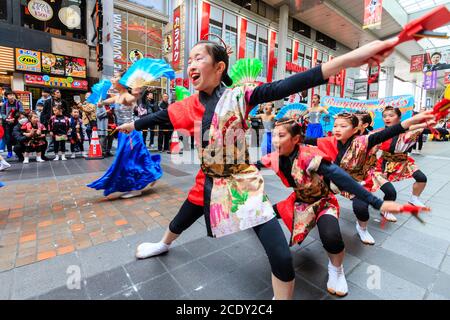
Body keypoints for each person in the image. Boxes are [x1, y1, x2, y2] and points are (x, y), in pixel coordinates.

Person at [117, 36, 401, 300]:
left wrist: (345, 61)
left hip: (242, 183)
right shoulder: (188, 104)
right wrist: (133, 124)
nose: (191, 64)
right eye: (189, 60)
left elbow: (287, 85)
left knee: (280, 255)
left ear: (219, 67)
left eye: (198, 58)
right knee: (184, 215)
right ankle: (164, 243)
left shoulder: (239, 96)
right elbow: (161, 115)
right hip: (208, 178)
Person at [262, 117, 404, 297]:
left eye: (280, 135)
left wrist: (376, 202)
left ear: (296, 138)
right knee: (265, 214)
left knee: (331, 236)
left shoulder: (312, 157)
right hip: (300, 201)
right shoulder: (275, 157)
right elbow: (253, 167)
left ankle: (337, 269)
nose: (275, 140)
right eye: (273, 135)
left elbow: (342, 178)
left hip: (324, 201)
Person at [304, 111, 435, 239]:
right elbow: (308, 140)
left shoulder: (364, 141)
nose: (337, 129)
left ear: (356, 129)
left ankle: (362, 228)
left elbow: (392, 131)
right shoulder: (330, 141)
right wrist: (288, 136)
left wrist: (415, 120)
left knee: (362, 207)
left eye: (343, 126)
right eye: (335, 126)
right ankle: (314, 212)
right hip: (334, 179)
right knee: (310, 195)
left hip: (357, 180)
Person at [88, 71, 163, 199]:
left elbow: (133, 99)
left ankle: (135, 188)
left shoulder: (126, 96)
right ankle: (151, 175)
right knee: (134, 158)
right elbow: (103, 103)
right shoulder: (117, 96)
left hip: (130, 134)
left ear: (122, 81)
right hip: (124, 133)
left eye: (115, 77)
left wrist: (138, 93)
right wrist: (99, 99)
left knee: (129, 160)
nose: (113, 79)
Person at [375, 106, 429, 207]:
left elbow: (425, 129)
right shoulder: (380, 132)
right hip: (385, 163)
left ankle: (414, 199)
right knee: (389, 191)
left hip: (404, 161)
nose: (387, 118)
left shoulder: (408, 129)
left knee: (421, 178)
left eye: (391, 115)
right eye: (384, 116)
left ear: (399, 118)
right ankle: (385, 208)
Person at [0, 90, 23, 158]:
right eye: (10, 95)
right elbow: (2, 113)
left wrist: (15, 118)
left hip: (16, 123)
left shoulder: (18, 103)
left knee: (17, 137)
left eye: (13, 95)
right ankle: (9, 152)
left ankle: (17, 151)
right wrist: (7, 119)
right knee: (8, 138)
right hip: (7, 124)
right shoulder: (5, 104)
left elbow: (21, 111)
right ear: (6, 96)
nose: (12, 96)